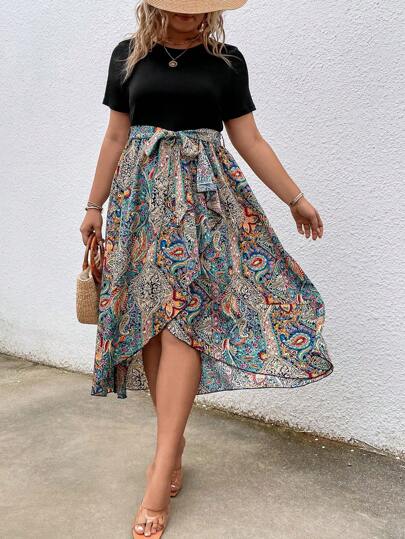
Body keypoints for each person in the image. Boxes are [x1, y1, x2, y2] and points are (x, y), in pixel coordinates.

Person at [79, 0, 334, 536]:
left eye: (201, 7)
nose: (192, 14)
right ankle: (172, 445)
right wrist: (93, 206)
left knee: (187, 323)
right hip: (140, 201)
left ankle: (159, 472)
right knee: (151, 325)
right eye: (181, 5)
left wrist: (295, 199)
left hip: (204, 205)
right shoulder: (128, 57)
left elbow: (249, 139)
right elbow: (115, 136)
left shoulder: (227, 61)